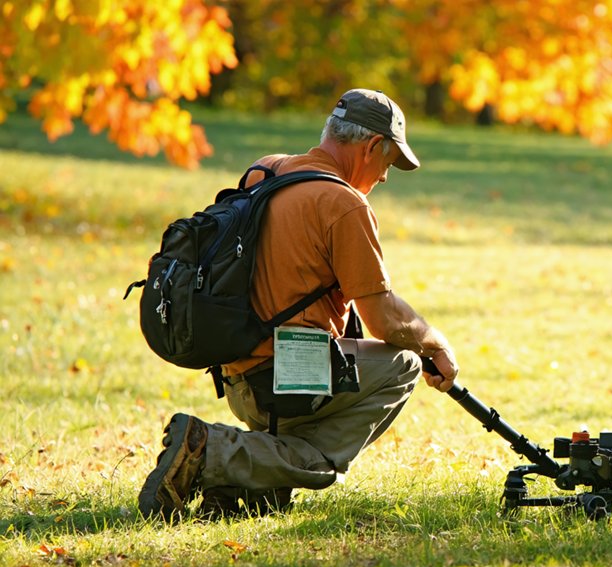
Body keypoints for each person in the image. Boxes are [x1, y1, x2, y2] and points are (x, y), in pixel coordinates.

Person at [138, 88, 460, 519]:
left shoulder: (266, 171)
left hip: (235, 375)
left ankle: (240, 485)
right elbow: (382, 319)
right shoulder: (343, 204)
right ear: (369, 148)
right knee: (400, 366)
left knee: (346, 364)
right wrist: (433, 342)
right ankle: (212, 451)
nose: (384, 177)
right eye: (387, 163)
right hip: (287, 385)